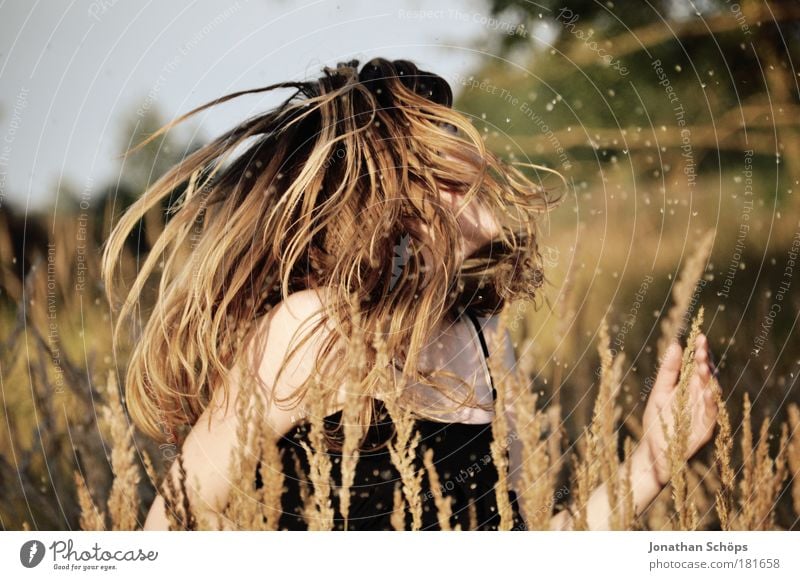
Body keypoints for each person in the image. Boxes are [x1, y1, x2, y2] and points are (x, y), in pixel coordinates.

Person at [101, 57, 719, 531]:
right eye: (442, 153)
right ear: (388, 197)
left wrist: (652, 467)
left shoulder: (486, 343)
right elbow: (173, 528)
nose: (476, 156)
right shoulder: (312, 333)